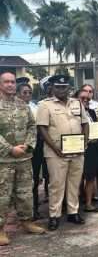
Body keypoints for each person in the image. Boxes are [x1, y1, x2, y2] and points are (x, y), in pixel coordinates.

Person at [36, 74, 89, 231]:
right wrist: (54, 147)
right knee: (56, 185)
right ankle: (54, 215)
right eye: (58, 87)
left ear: (68, 88)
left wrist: (85, 141)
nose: (61, 89)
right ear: (52, 88)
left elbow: (84, 123)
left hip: (77, 151)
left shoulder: (77, 103)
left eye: (64, 87)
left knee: (74, 183)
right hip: (56, 153)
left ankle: (73, 212)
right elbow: (42, 128)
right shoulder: (45, 105)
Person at [0, 73, 44, 246]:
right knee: (2, 196)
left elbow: (32, 126)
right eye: (6, 82)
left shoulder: (23, 105)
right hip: (3, 160)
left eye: (12, 82)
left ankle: (26, 222)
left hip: (24, 158)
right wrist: (9, 149)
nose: (10, 85)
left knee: (25, 192)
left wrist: (27, 145)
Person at [15, 78, 42, 219]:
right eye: (24, 92)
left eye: (29, 93)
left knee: (34, 179)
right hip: (16, 149)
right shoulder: (11, 107)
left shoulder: (35, 107)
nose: (27, 95)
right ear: (17, 93)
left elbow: (35, 127)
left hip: (34, 147)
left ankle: (33, 210)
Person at [78, 90, 98, 212]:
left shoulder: (92, 112)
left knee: (90, 176)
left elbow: (97, 128)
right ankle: (75, 203)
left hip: (92, 148)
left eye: (88, 99)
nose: (86, 101)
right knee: (78, 177)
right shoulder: (73, 113)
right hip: (77, 148)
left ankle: (88, 203)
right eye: (82, 98)